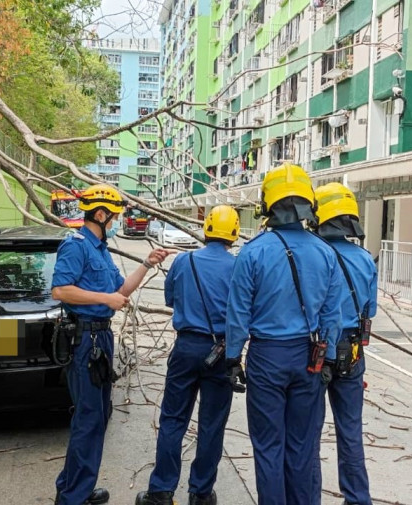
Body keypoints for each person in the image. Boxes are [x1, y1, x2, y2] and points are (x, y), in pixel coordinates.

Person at [225, 163, 344, 505]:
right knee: (303, 446)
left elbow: (238, 314)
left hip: (267, 358)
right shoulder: (326, 253)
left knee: (268, 446)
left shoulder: (253, 252)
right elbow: (331, 315)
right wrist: (330, 359)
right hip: (310, 357)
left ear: (268, 204)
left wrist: (233, 357)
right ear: (309, 205)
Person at [52, 184, 174, 505]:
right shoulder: (76, 246)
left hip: (101, 337)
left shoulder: (101, 249)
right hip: (84, 340)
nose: (117, 221)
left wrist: (147, 264)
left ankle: (73, 485)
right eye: (115, 216)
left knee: (98, 414)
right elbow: (61, 291)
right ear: (102, 214)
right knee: (89, 417)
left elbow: (121, 292)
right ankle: (73, 497)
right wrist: (103, 298)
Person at [136, 205, 240, 505]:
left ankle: (160, 492)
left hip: (186, 348)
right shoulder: (237, 267)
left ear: (206, 228)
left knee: (172, 419)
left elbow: (171, 298)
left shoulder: (184, 261)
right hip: (221, 351)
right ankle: (201, 493)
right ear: (233, 232)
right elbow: (242, 310)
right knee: (212, 424)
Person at [312, 183, 377, 505]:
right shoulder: (365, 258)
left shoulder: (314, 255)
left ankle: (307, 496)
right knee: (350, 430)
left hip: (317, 348)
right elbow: (371, 310)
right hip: (352, 349)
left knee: (307, 432)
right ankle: (358, 498)